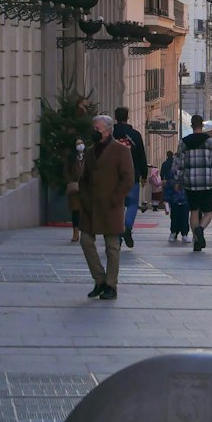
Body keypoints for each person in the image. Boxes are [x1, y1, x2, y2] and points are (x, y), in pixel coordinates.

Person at [79, 114, 134, 300]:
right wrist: (84, 199)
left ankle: (111, 285)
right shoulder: (90, 151)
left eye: (98, 129)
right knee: (86, 241)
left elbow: (128, 178)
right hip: (91, 206)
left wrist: (115, 198)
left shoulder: (121, 151)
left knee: (112, 247)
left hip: (111, 206)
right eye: (93, 128)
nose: (94, 132)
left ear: (108, 130)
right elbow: (84, 178)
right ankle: (99, 279)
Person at [173, 114, 212, 250]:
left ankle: (196, 240)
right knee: (208, 212)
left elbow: (179, 164)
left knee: (193, 211)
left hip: (190, 181)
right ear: (202, 125)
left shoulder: (183, 142)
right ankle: (200, 229)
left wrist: (177, 181)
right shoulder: (211, 142)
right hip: (207, 181)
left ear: (192, 125)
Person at [113, 106, 147, 248]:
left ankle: (118, 235)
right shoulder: (135, 135)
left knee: (117, 205)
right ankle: (127, 227)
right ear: (127, 117)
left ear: (115, 118)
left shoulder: (111, 134)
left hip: (114, 176)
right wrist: (144, 174)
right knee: (132, 204)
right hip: (132, 175)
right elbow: (141, 156)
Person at [63, 138, 86, 243]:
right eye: (78, 144)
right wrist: (70, 181)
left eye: (81, 143)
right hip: (75, 188)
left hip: (86, 188)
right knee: (75, 210)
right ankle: (75, 232)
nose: (80, 145)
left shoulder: (88, 155)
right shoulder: (71, 157)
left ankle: (86, 232)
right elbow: (66, 170)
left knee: (86, 210)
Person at [166, 171, 191, 242]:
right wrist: (166, 199)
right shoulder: (172, 175)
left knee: (184, 219)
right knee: (174, 218)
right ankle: (174, 232)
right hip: (175, 201)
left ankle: (184, 234)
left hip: (184, 201)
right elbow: (168, 187)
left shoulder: (187, 175)